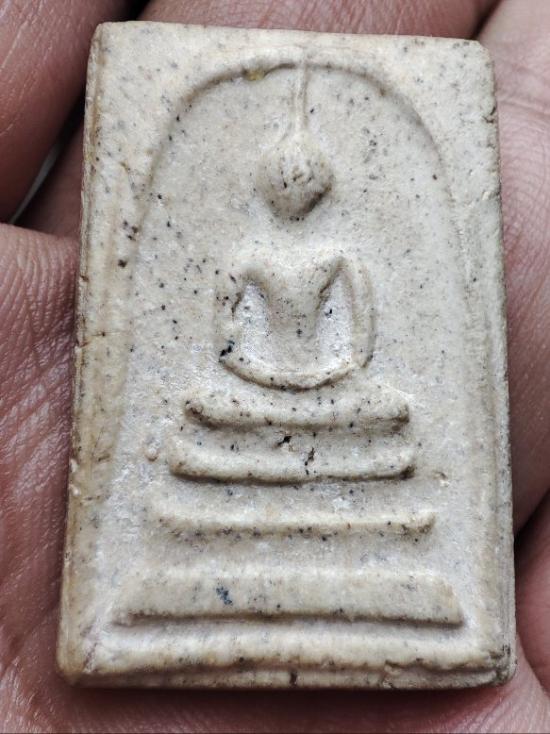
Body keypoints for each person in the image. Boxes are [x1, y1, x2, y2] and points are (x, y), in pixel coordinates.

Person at [1, 1, 549, 731]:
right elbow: (231, 336)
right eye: (284, 181)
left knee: (383, 416)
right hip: (255, 391)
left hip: (332, 391)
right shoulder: (247, 256)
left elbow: (357, 342)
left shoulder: (341, 257)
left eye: (304, 182)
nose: (294, 192)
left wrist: (326, 376)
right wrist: (261, 378)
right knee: (204, 419)